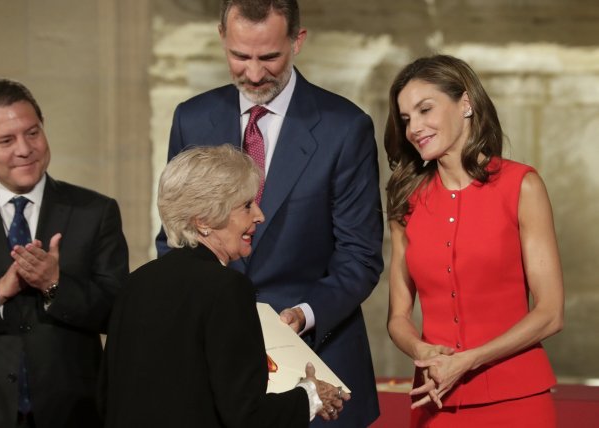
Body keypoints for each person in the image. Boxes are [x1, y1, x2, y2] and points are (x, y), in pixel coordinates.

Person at [155, 1, 384, 426]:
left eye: (269, 57)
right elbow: (175, 238)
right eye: (240, 56)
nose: (254, 74)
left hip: (318, 361)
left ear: (298, 41)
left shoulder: (345, 127)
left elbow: (360, 256)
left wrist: (304, 314)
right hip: (213, 367)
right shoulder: (191, 118)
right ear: (222, 37)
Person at [102, 144, 350, 427]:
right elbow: (245, 415)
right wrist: (310, 396)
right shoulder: (227, 288)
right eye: (246, 205)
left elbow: (108, 396)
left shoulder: (136, 282)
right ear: (204, 220)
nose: (259, 215)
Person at [384, 54, 564, 427]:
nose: (414, 128)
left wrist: (469, 359)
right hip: (435, 401)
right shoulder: (407, 202)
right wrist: (419, 348)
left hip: (519, 400)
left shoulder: (521, 186)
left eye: (424, 110)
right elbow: (398, 317)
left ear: (465, 103)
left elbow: (550, 313)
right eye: (406, 119)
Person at [0, 79, 129, 428]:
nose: (25, 149)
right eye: (6, 140)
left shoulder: (95, 211)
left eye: (32, 133)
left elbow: (117, 311)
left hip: (74, 410)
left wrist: (55, 284)